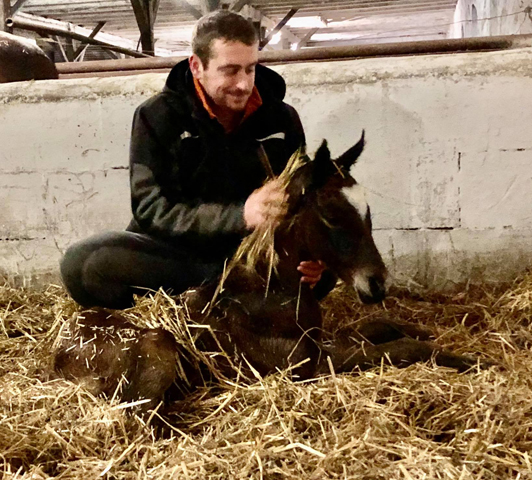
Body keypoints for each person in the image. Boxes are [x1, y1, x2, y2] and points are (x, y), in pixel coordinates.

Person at [60, 10, 334, 309]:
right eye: (230, 70)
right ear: (197, 66)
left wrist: (311, 258)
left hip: (250, 258)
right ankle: (170, 318)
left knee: (330, 263)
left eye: (251, 69)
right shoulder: (158, 116)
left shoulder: (282, 119)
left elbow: (304, 200)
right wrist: (240, 215)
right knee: (83, 264)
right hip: (176, 256)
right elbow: (150, 209)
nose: (244, 84)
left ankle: (232, 304)